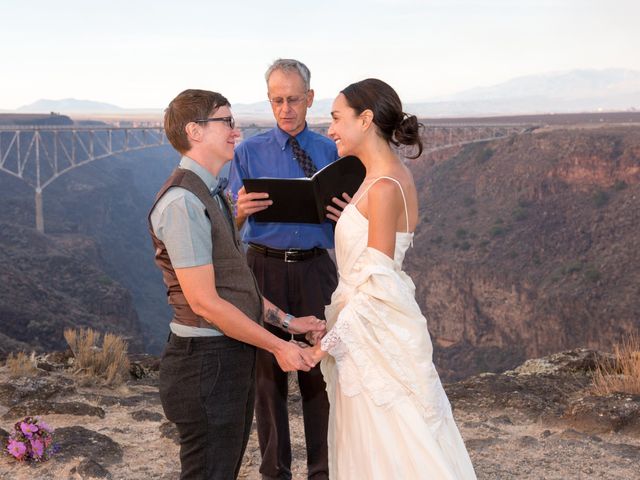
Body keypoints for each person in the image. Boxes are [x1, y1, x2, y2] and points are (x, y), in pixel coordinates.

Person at [148, 89, 325, 480]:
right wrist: (280, 346)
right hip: (204, 364)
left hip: (223, 359)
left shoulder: (209, 192)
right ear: (195, 131)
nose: (236, 129)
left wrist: (289, 321)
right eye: (226, 121)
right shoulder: (183, 203)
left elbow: (233, 283)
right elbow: (207, 303)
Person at [306, 79, 477, 479]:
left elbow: (377, 287)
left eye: (336, 118)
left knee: (384, 446)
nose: (330, 129)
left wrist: (326, 345)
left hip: (372, 337)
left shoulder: (383, 187)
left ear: (365, 120)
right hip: (363, 331)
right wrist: (351, 219)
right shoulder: (376, 180)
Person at [227, 59, 339, 480]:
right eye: (277, 100)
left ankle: (323, 471)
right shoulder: (247, 153)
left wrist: (345, 213)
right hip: (263, 270)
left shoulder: (333, 152)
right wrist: (237, 212)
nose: (285, 108)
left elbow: (354, 222)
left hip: (317, 272)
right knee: (267, 376)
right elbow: (225, 228)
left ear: (310, 99)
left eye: (293, 99)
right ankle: (274, 471)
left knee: (321, 375)